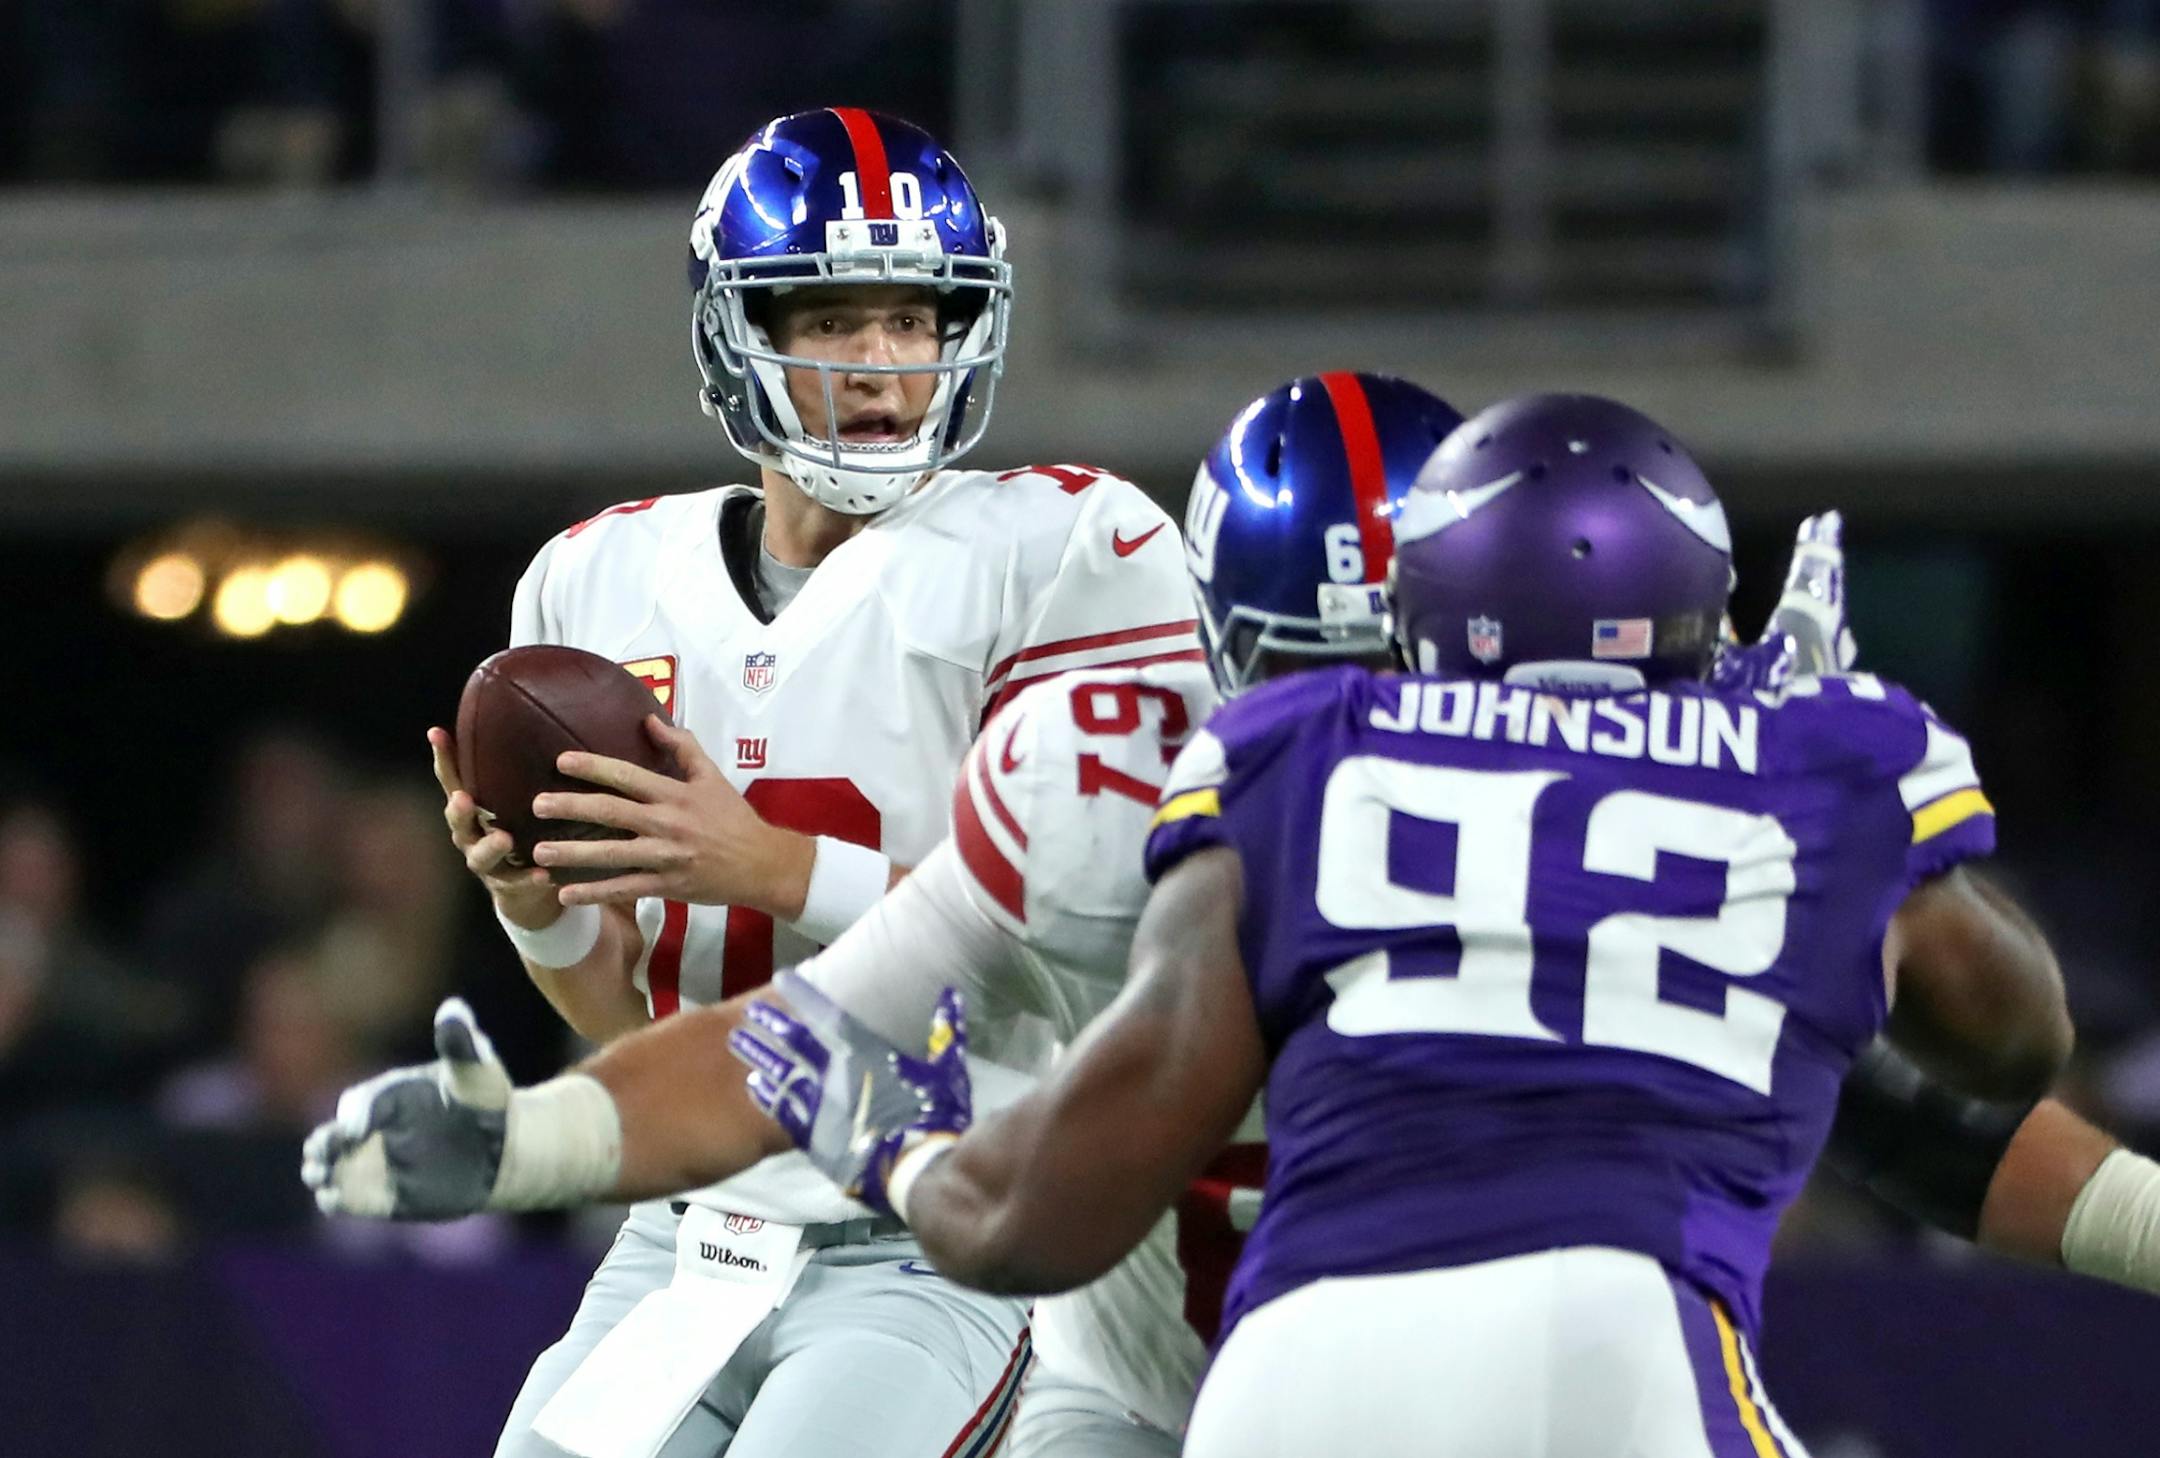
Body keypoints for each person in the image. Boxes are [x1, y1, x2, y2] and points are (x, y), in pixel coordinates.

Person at [309, 378, 2160, 1453]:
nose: (1345, 701)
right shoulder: (1127, 770)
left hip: (1263, 1363)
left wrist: (877, 1146)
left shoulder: (1228, 779)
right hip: (1150, 1392)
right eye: (1300, 657)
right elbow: (1958, 1082)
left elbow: (948, 1148)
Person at [410, 105, 1193, 1458]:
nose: (884, 365)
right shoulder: (598, 581)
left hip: (950, 1224)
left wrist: (770, 865)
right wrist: (536, 908)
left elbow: (1105, 958)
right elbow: (625, 1011)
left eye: (915, 319)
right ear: (739, 333)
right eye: (834, 320)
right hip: (690, 1234)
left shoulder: (1064, 552)